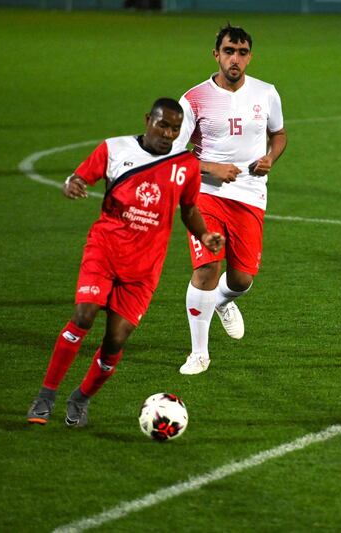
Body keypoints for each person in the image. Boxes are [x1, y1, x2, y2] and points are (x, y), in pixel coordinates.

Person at [26, 98, 224, 426]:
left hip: (144, 267)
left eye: (175, 128)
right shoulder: (114, 149)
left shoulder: (185, 165)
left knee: (116, 339)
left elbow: (188, 209)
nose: (168, 133)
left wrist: (204, 235)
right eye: (162, 125)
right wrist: (72, 184)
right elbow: (78, 178)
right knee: (83, 315)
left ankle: (81, 398)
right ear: (148, 120)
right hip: (104, 251)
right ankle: (46, 395)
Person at [175, 24, 287, 375]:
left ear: (250, 57)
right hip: (205, 194)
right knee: (208, 267)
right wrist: (210, 168)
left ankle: (222, 301)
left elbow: (279, 134)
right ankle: (199, 353)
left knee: (241, 279)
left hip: (251, 196)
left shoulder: (266, 93)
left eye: (241, 52)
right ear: (216, 55)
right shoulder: (193, 98)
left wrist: (271, 157)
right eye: (228, 51)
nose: (234, 59)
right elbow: (174, 155)